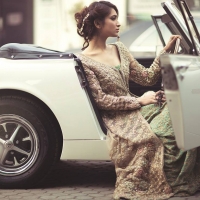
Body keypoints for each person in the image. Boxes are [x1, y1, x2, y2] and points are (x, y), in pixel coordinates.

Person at [75, 1, 200, 200]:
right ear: (98, 23)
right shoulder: (85, 61)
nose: (118, 23)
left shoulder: (120, 49)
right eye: (113, 18)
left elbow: (147, 77)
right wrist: (140, 101)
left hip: (137, 107)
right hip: (118, 118)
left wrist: (165, 52)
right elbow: (102, 101)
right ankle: (172, 179)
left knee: (185, 111)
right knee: (165, 132)